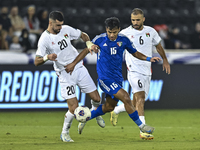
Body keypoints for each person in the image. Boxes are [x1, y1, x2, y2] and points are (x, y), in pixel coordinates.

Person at [66, 17, 161, 137]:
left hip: (117, 78)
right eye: (109, 32)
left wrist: (148, 58)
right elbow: (86, 50)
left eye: (114, 32)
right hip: (105, 78)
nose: (111, 35)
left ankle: (85, 117)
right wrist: (74, 64)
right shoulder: (99, 39)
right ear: (106, 30)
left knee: (109, 107)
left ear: (119, 30)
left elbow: (135, 53)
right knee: (126, 97)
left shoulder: (124, 40)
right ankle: (142, 127)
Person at [34, 11, 105, 143]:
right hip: (65, 74)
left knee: (97, 98)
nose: (60, 27)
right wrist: (47, 57)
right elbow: (36, 61)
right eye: (58, 25)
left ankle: (93, 113)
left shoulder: (66, 29)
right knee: (73, 108)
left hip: (78, 67)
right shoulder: (44, 39)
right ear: (50, 23)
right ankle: (64, 133)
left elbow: (83, 35)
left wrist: (88, 43)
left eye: (61, 24)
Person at [110, 8, 171, 140]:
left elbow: (158, 46)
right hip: (133, 70)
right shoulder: (124, 33)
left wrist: (165, 60)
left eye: (138, 20)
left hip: (146, 70)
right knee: (141, 99)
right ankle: (143, 130)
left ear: (143, 19)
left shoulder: (151, 31)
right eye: (133, 20)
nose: (135, 22)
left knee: (135, 102)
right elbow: (113, 46)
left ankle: (116, 110)